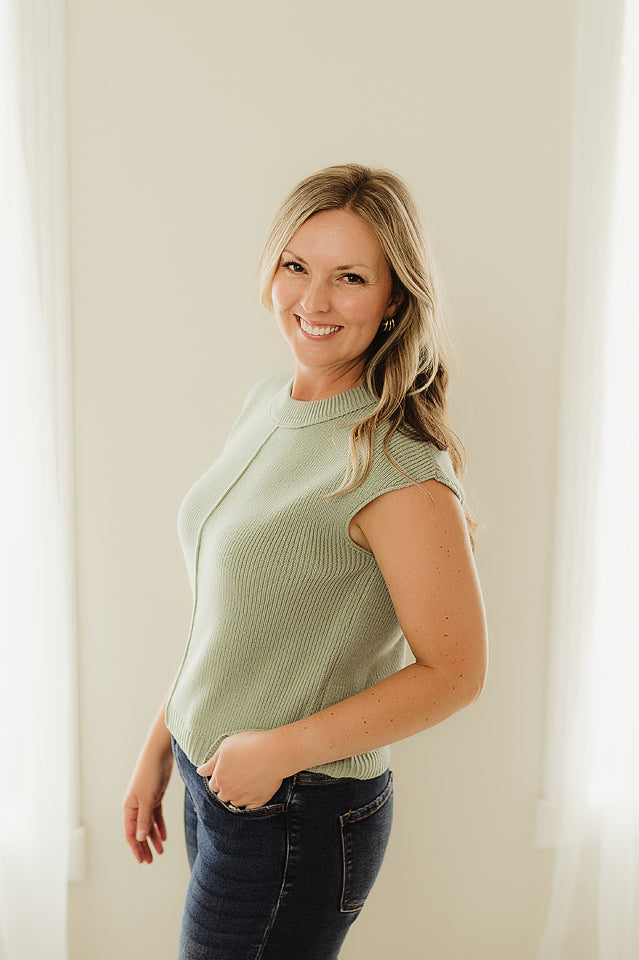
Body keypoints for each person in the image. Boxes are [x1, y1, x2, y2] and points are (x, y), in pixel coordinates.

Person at [123, 163, 488, 960]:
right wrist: (160, 744)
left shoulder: (396, 465)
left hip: (294, 807)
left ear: (393, 300)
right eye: (297, 266)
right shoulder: (267, 403)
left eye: (349, 277)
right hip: (219, 780)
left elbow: (456, 673)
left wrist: (275, 753)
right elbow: (228, 622)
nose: (313, 301)